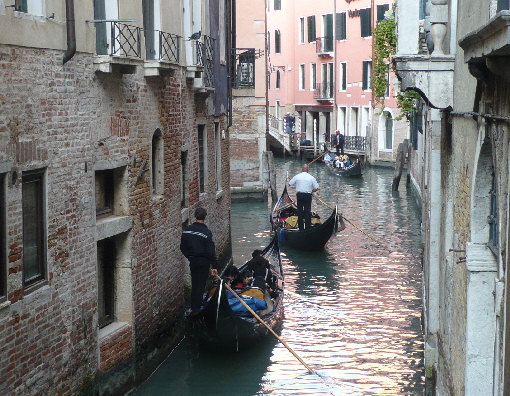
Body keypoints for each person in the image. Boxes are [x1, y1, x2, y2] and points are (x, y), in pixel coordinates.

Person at [180, 207, 218, 316]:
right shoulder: (206, 232)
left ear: (195, 216)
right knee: (200, 285)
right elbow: (211, 251)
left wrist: (190, 257)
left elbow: (182, 247)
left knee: (195, 283)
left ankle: (194, 306)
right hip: (203, 262)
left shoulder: (186, 230)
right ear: (204, 217)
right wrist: (214, 266)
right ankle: (196, 309)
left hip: (193, 261)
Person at [288, 164, 319, 230]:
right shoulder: (311, 177)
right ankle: (308, 228)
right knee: (307, 211)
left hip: (300, 195)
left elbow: (289, 184)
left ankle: (301, 228)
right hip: (308, 195)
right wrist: (311, 191)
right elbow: (316, 188)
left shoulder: (297, 176)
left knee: (300, 211)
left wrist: (297, 185)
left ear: (302, 170)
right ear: (308, 170)